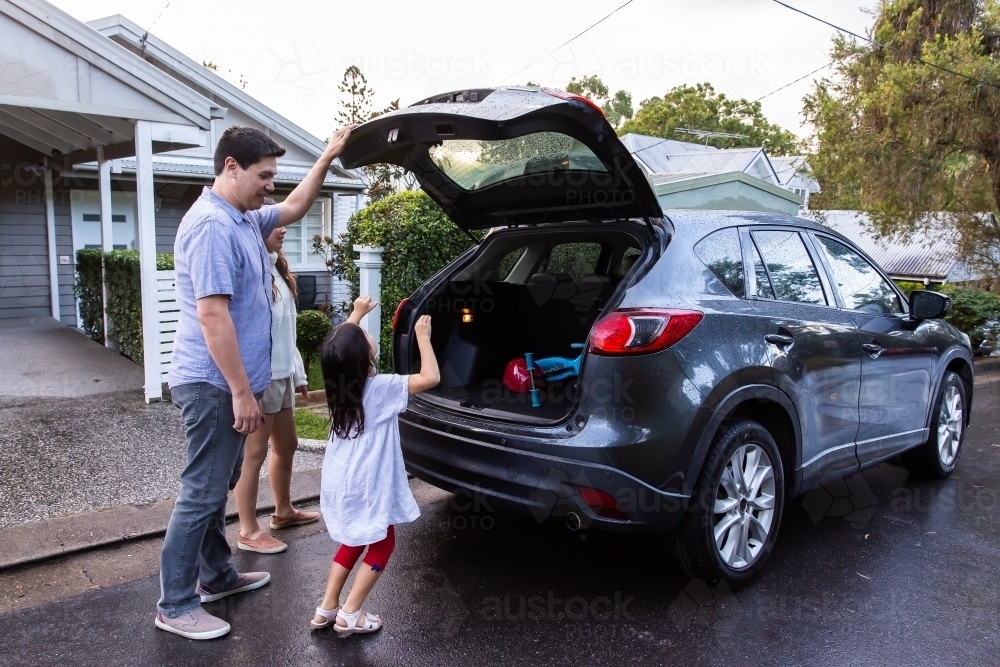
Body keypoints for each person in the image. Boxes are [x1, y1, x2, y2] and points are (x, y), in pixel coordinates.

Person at [156, 124, 351, 641]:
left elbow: (295, 208)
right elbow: (213, 317)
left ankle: (217, 577)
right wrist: (243, 392)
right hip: (213, 383)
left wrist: (328, 154)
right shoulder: (213, 228)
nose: (271, 186)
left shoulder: (241, 217)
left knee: (214, 486)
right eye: (264, 176)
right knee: (200, 493)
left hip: (227, 383)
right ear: (231, 167)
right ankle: (174, 605)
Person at [309, 297, 440, 635]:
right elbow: (429, 378)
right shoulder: (380, 389)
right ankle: (351, 613)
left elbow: (341, 342)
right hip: (367, 484)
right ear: (365, 358)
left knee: (353, 540)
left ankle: (327, 607)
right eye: (362, 336)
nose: (365, 334)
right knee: (383, 543)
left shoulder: (341, 388)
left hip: (341, 479)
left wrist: (357, 313)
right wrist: (423, 338)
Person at [233, 223, 317, 554]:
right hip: (262, 378)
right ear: (256, 231)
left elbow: (286, 334)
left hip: (281, 376)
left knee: (288, 444)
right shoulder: (254, 273)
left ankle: (283, 512)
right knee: (253, 454)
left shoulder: (277, 268)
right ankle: (248, 529)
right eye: (274, 224)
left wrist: (299, 376)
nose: (283, 229)